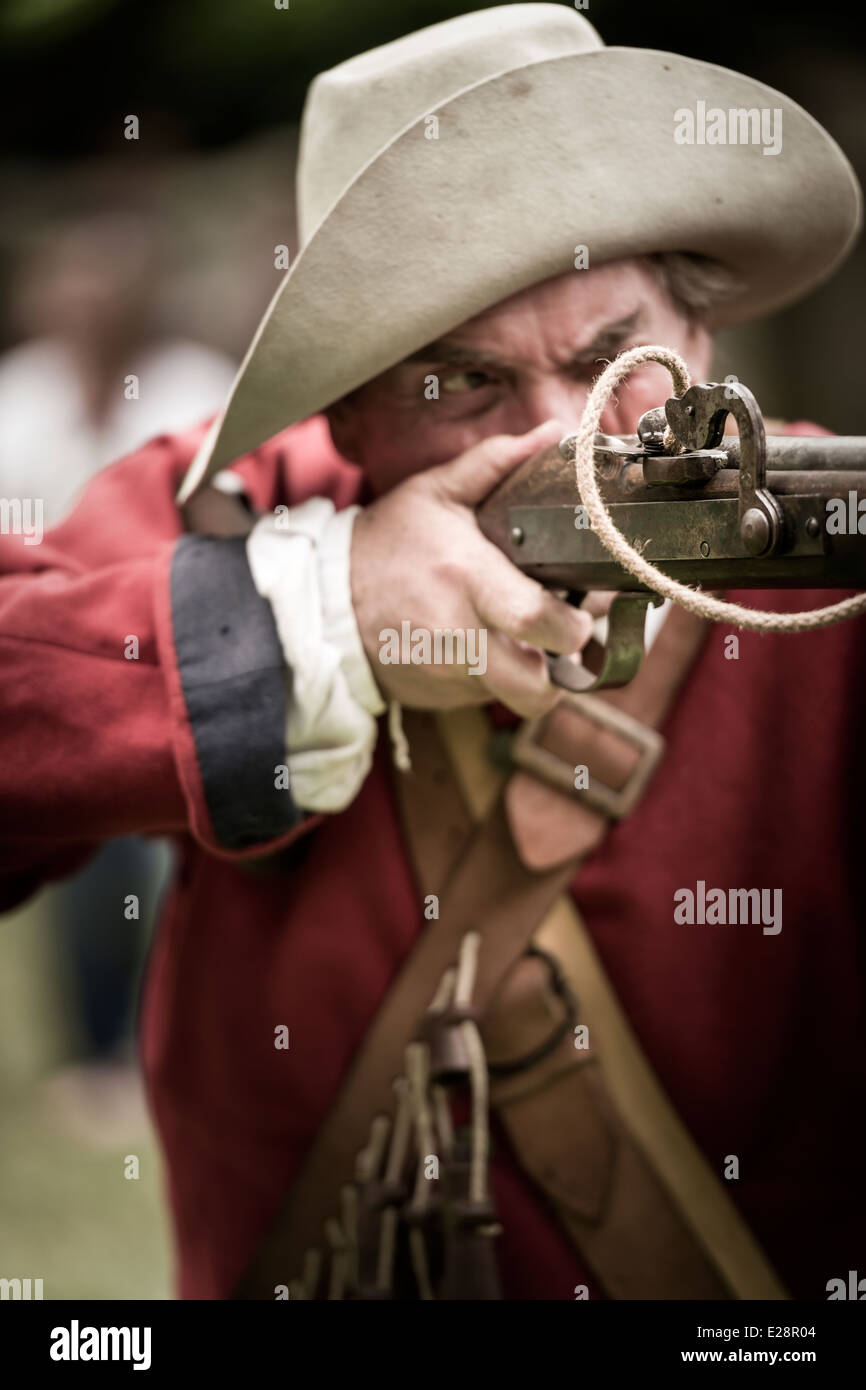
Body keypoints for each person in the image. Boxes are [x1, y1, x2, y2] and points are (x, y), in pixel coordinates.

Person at [1, 6, 864, 1300]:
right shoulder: (234, 511)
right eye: (461, 384)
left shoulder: (813, 538)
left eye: (607, 360)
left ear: (699, 339)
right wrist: (324, 612)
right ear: (346, 408)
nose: (557, 443)